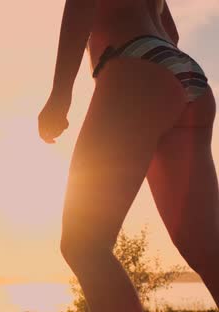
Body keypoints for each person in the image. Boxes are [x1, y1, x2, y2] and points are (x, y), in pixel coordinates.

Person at [39, 0, 219, 310]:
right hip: (183, 70)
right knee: (208, 250)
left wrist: (60, 95)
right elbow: (171, 31)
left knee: (84, 244)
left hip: (135, 64)